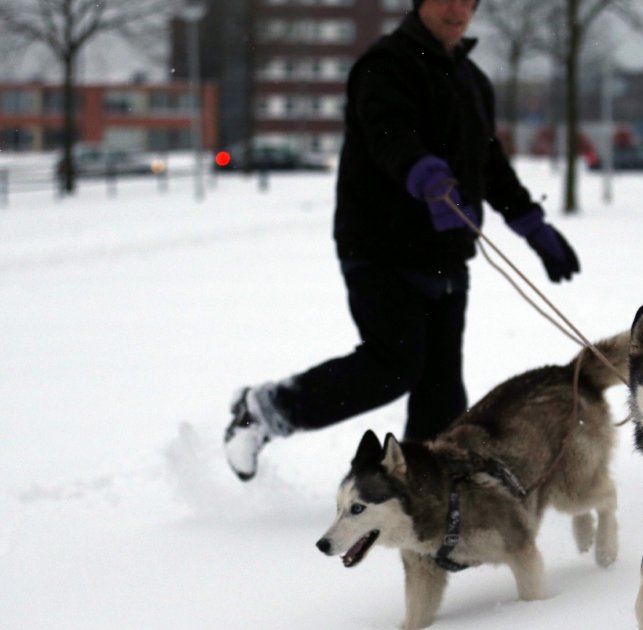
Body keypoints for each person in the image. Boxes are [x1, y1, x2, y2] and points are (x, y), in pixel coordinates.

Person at [223, 0, 581, 481]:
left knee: (441, 386)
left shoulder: (473, 80)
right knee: (393, 364)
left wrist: (532, 226)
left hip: (446, 252)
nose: (457, 8)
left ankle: (425, 485)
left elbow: (489, 164)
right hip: (380, 247)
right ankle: (265, 410)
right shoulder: (385, 65)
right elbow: (389, 133)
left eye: (467, 0)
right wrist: (426, 175)